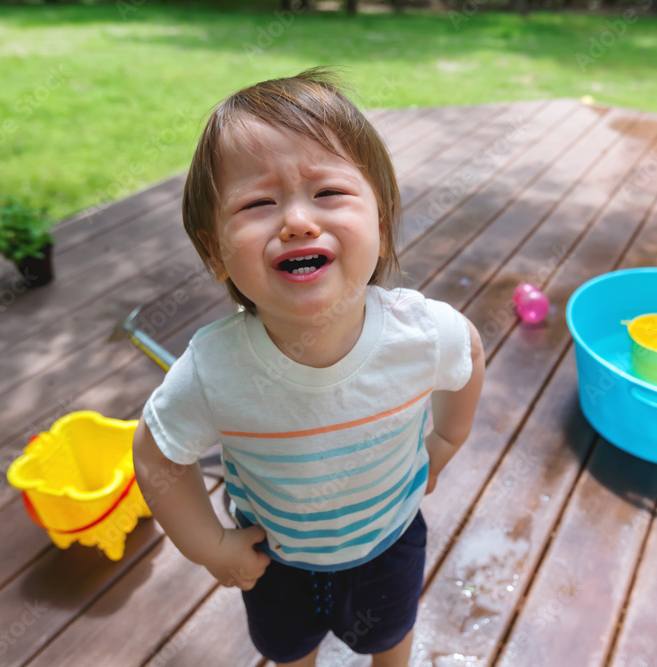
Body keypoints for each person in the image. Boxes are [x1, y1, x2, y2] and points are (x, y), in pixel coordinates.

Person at [133, 68, 484, 666]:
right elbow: (157, 451)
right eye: (258, 203)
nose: (297, 219)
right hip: (275, 560)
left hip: (389, 542)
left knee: (390, 637)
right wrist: (210, 547)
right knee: (288, 650)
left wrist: (447, 436)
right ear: (215, 251)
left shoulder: (422, 335)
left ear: (379, 216)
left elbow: (469, 353)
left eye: (328, 193)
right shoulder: (215, 371)